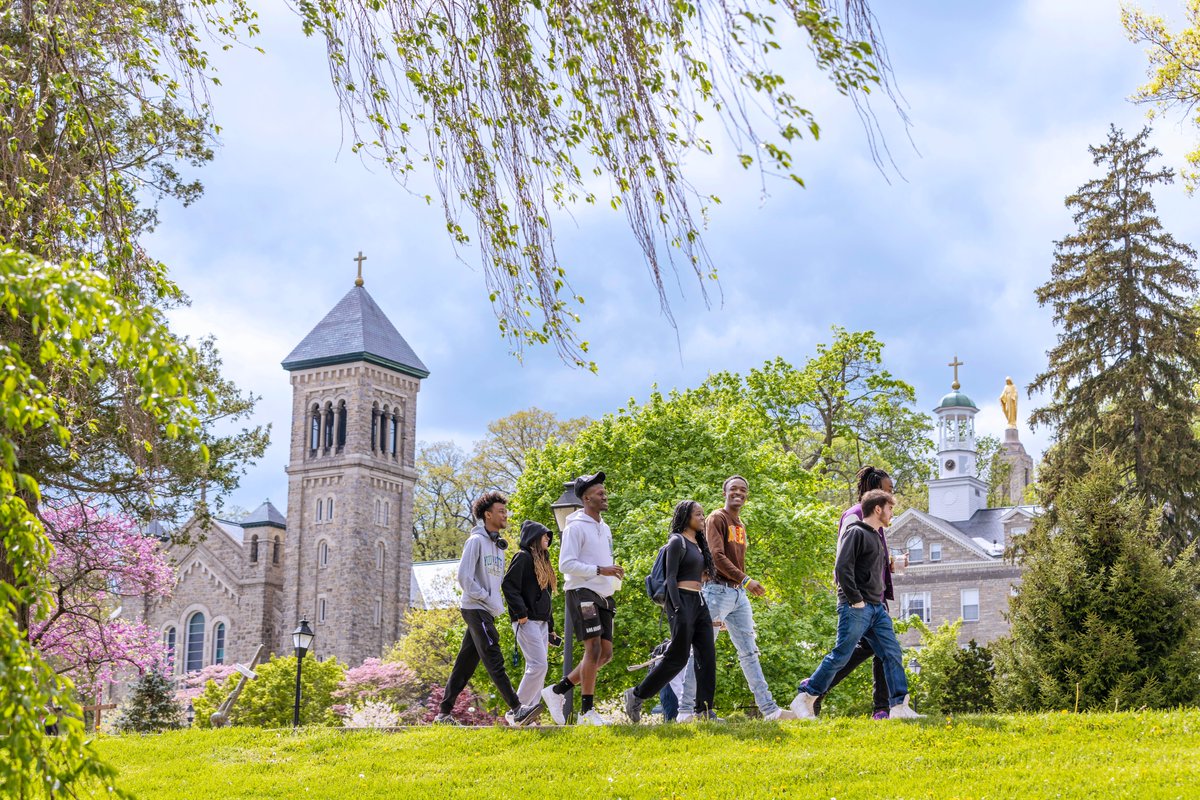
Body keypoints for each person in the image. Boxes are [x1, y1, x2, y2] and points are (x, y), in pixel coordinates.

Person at [790, 489, 923, 720]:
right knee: (842, 654)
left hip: (877, 609)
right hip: (856, 607)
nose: (892, 514)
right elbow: (842, 568)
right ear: (878, 508)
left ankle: (899, 706)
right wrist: (856, 601)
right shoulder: (855, 532)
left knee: (892, 653)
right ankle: (805, 697)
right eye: (890, 508)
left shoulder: (876, 536)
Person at [677, 476, 791, 721]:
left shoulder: (739, 523)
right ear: (724, 492)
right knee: (701, 652)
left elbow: (734, 559)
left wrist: (741, 586)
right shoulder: (717, 518)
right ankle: (685, 711)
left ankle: (770, 710)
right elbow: (716, 556)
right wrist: (747, 581)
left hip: (737, 596)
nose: (738, 493)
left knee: (750, 652)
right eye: (733, 489)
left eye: (743, 490)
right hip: (717, 592)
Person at [436, 492, 542, 727]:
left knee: (465, 664)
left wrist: (496, 604)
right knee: (494, 657)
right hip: (476, 608)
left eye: (506, 511)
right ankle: (517, 708)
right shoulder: (476, 542)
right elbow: (464, 578)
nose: (505, 515)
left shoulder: (498, 547)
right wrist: (487, 599)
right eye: (501, 511)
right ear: (488, 514)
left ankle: (443, 714)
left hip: (487, 610)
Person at [802, 465, 895, 719]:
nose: (891, 496)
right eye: (887, 490)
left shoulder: (877, 522)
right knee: (855, 649)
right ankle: (815, 688)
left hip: (873, 594)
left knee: (874, 649)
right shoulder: (855, 516)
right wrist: (855, 598)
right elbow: (844, 561)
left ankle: (818, 689)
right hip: (859, 597)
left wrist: (890, 564)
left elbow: (870, 557)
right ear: (874, 492)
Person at [623, 500, 718, 723]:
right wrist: (676, 607)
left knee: (707, 656)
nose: (702, 518)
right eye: (698, 514)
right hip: (681, 601)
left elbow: (698, 574)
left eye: (703, 514)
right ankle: (637, 695)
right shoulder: (677, 541)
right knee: (678, 657)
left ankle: (704, 710)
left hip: (699, 602)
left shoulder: (697, 543)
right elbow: (671, 577)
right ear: (686, 517)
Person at [542, 471, 625, 725]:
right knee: (594, 649)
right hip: (582, 592)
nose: (605, 496)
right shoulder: (574, 526)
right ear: (587, 498)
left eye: (604, 492)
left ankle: (557, 691)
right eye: (600, 493)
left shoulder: (605, 527)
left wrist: (611, 574)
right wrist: (601, 570)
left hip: (604, 593)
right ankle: (586, 712)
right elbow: (566, 564)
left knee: (606, 654)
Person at [501, 520, 563, 713]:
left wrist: (550, 626)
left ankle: (529, 713)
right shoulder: (523, 557)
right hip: (526, 621)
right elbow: (508, 585)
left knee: (538, 668)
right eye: (545, 535)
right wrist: (520, 613)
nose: (548, 539)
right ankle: (517, 710)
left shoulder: (543, 562)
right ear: (534, 537)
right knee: (538, 665)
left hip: (541, 622)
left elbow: (547, 596)